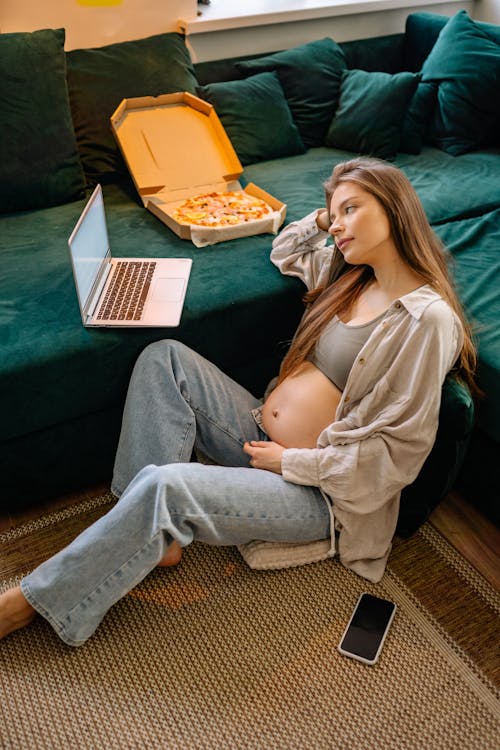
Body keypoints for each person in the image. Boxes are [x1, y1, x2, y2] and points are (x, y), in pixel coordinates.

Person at [0, 157, 477, 647]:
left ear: (395, 208)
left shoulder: (426, 322)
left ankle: (30, 603)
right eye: (333, 215)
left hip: (319, 493)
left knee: (171, 486)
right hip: (259, 435)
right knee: (163, 358)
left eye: (351, 209)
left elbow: (394, 458)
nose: (336, 225)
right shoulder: (352, 276)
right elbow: (285, 247)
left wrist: (291, 462)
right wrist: (322, 218)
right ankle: (145, 534)